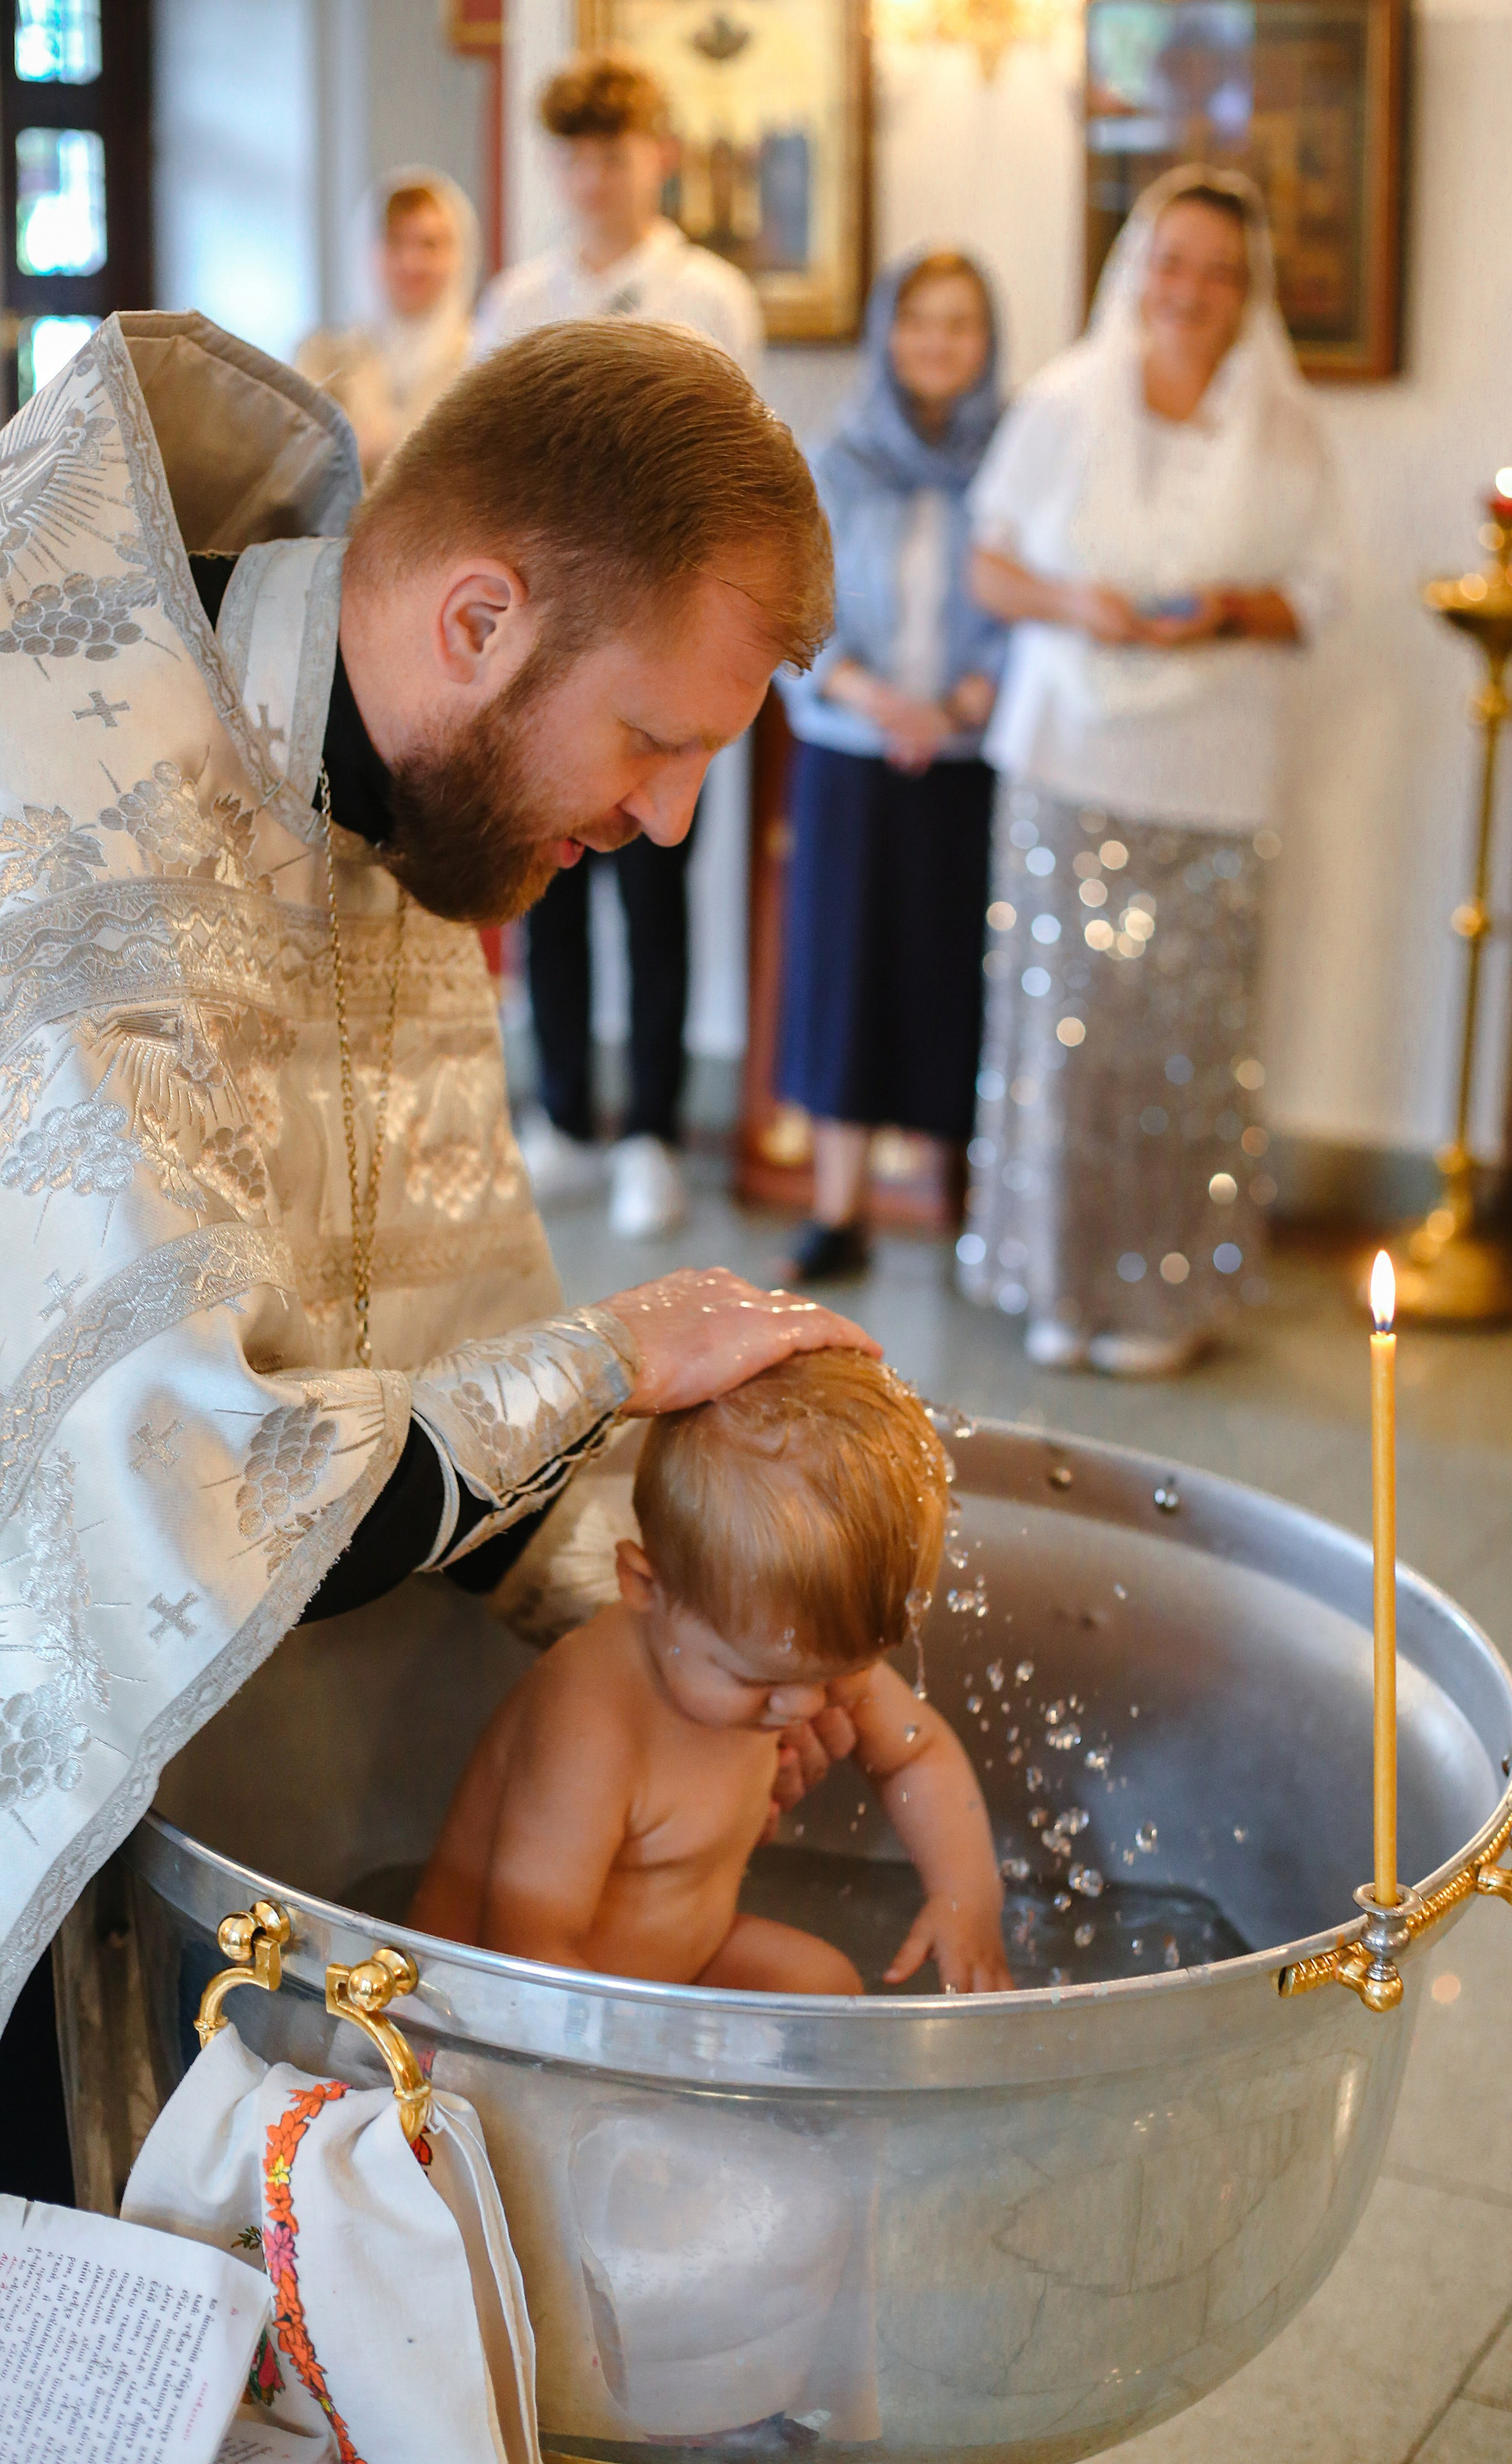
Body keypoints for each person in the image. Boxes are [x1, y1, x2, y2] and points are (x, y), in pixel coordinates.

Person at [0, 310, 873, 2080]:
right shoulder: (86, 820)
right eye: (652, 738)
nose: (677, 821)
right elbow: (187, 1492)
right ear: (478, 620)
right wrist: (617, 1358)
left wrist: (711, 1628)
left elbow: (440, 1317)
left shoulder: (385, 789)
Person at [963, 164, 1342, 1378]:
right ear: (1137, 267)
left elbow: (1323, 596)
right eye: (1171, 263)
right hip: (1068, 753)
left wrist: (1229, 607)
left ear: (1249, 291)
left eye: (1218, 272)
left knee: (1185, 1040)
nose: (1191, 290)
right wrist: (1078, 601)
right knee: (1065, 1036)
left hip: (1214, 769)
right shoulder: (1065, 402)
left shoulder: (1291, 428)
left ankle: (1169, 1292)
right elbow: (992, 568)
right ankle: (1057, 1279)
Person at [410, 1349, 1011, 1994]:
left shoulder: (787, 1654)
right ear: (645, 1585)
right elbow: (528, 1946)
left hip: (681, 1965)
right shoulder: (593, 1723)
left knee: (824, 1988)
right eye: (759, 1682)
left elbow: (916, 1756)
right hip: (485, 2003)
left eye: (846, 1673)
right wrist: (658, 2069)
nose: (808, 1708)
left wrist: (965, 1897)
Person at [473, 53, 764, 1241]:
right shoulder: (517, 299)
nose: (595, 176)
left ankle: (651, 1129)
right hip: (548, 647)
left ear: (660, 156)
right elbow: (481, 467)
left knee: (655, 883)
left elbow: (746, 469)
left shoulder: (710, 296)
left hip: (663, 643)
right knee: (543, 878)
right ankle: (564, 1120)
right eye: (576, 155)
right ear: (556, 165)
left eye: (616, 152)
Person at [776, 250, 1006, 1284]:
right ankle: (840, 1212)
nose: (939, 344)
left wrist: (962, 703)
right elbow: (794, 603)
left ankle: (967, 1210)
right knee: (847, 975)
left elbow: (1027, 605)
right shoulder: (836, 458)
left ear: (988, 343)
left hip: (972, 753)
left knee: (962, 977)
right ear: (887, 335)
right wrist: (877, 699)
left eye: (960, 326)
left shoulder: (1016, 457)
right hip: (854, 751)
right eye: (920, 323)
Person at [296, 167, 479, 484]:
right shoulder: (324, 359)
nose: (411, 263)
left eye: (430, 245)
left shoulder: (484, 356)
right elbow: (293, 470)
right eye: (395, 243)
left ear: (460, 252)